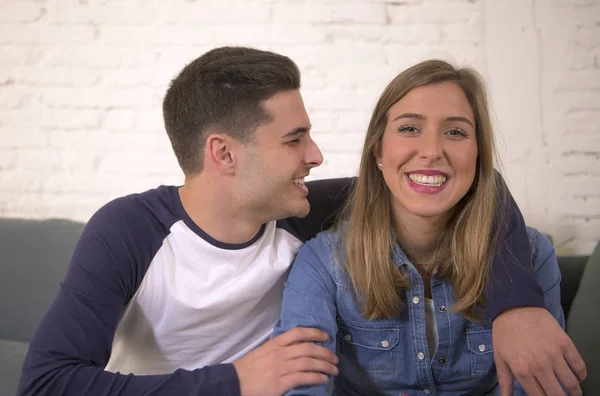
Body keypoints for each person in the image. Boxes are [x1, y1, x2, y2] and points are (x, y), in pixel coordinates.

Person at [17, 47, 584, 396]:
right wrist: (237, 382)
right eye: (294, 139)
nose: (315, 155)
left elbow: (456, 183)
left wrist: (516, 302)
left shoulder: (303, 213)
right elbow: (46, 383)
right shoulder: (129, 229)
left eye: (308, 136)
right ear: (224, 154)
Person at [273, 59, 585, 395]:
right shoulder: (323, 263)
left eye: (455, 132)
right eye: (409, 129)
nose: (432, 151)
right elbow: (301, 387)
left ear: (478, 154)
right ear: (378, 150)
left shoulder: (532, 255)